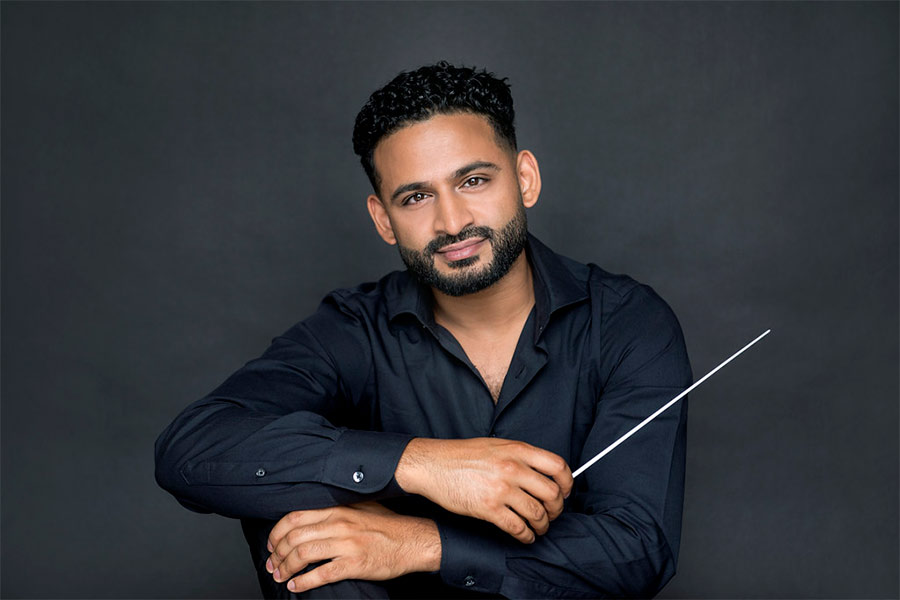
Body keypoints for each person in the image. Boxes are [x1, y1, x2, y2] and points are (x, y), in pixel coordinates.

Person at [155, 61, 692, 599]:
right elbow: (190, 450)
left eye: (474, 180)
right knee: (308, 531)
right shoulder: (354, 329)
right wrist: (419, 463)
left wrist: (423, 542)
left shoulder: (626, 323)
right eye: (416, 197)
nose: (452, 223)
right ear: (382, 219)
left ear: (525, 179)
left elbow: (637, 548)